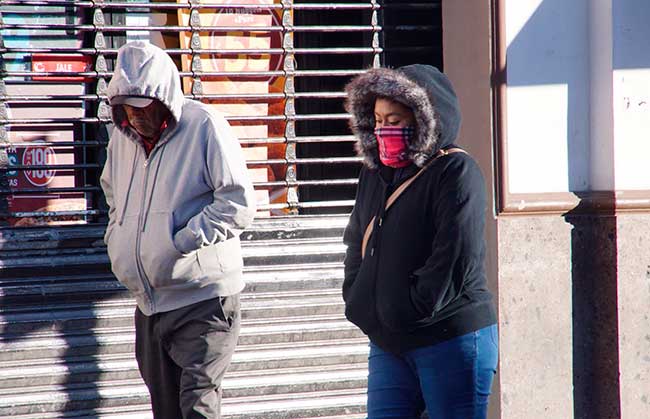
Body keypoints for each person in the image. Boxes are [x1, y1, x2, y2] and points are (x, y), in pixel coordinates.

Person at [100, 41, 256, 419]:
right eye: (126, 109)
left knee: (197, 408)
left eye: (143, 108)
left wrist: (181, 241)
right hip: (150, 302)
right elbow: (112, 193)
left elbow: (238, 202)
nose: (136, 118)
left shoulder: (204, 125)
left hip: (202, 298)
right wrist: (118, 237)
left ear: (162, 99)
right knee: (166, 411)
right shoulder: (121, 139)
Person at [342, 64, 498, 419]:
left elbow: (455, 255)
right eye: (378, 118)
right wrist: (358, 294)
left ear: (424, 120)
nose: (383, 128)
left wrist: (412, 305)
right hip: (389, 340)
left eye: (394, 120)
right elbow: (356, 241)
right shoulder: (375, 173)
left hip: (449, 338)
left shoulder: (456, 171)